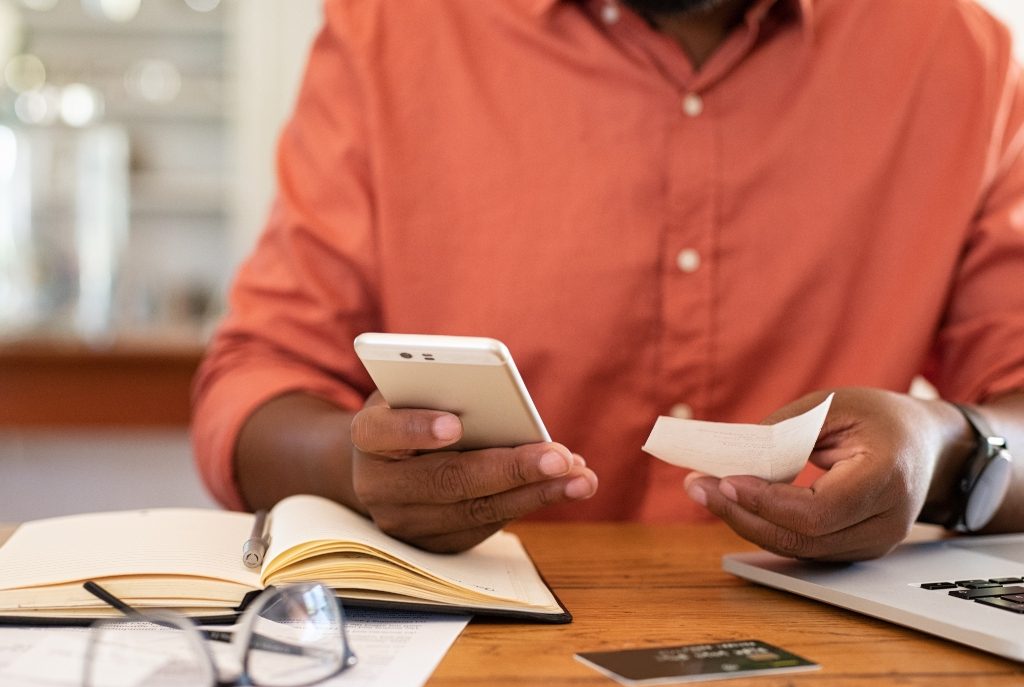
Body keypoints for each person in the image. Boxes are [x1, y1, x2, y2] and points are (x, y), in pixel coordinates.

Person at [192, 0, 1024, 561]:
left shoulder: (958, 55)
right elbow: (255, 385)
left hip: (839, 676)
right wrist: (358, 470)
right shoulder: (393, 30)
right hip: (470, 671)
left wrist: (945, 452)